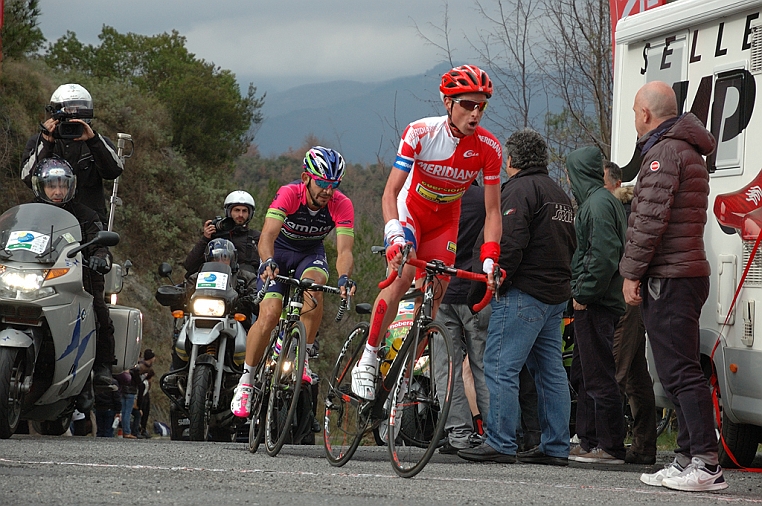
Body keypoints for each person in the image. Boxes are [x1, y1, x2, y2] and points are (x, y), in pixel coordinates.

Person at [351, 65, 503, 400]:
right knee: (403, 276)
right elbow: (390, 192)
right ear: (448, 103)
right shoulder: (420, 133)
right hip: (411, 212)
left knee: (434, 296)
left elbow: (493, 212)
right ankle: (369, 356)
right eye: (467, 104)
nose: (475, 113)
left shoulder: (489, 149)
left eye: (482, 106)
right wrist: (394, 237)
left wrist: (490, 258)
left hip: (445, 221)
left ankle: (405, 372)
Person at [620, 80, 726, 491]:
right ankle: (686, 458)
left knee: (680, 371)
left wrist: (631, 273)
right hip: (685, 272)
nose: (633, 119)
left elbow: (648, 221)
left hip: (671, 275)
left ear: (646, 114)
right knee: (675, 369)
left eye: (633, 112)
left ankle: (705, 464)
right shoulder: (687, 148)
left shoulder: (664, 152)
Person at [458, 129, 576, 466]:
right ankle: (556, 446)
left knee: (499, 366)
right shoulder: (559, 194)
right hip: (555, 297)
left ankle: (499, 441)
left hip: (523, 294)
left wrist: (490, 282)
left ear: (511, 160)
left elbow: (508, 242)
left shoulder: (519, 190)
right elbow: (572, 243)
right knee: (551, 371)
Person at [231, 146, 356, 418]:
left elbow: (345, 250)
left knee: (314, 289)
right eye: (322, 183)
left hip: (311, 254)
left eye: (333, 185)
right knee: (269, 315)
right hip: (279, 252)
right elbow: (267, 236)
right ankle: (247, 381)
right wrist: (267, 260)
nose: (327, 191)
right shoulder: (290, 193)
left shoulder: (341, 203)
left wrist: (345, 277)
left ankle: (304, 356)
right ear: (306, 177)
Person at [30, 157, 116, 390]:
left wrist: (100, 257)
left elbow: (101, 245)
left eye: (62, 185)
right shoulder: (29, 214)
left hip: (78, 279)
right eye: (52, 185)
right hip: (36, 278)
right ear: (41, 186)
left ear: (71, 186)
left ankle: (102, 366)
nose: (57, 191)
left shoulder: (85, 215)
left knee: (98, 309)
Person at [566, 146, 628, 464]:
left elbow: (603, 255)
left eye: (569, 171)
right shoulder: (601, 201)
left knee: (599, 373)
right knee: (586, 372)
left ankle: (610, 445)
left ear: (579, 172)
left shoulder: (598, 204)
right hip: (596, 302)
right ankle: (590, 442)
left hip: (597, 304)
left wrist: (583, 294)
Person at [433, 182, 491, 454]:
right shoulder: (486, 198)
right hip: (476, 291)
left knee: (447, 367)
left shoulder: (439, 196)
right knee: (484, 365)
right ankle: (493, 434)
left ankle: (457, 432)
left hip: (442, 291)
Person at [21, 83, 123, 223]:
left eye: (80, 111)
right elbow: (27, 178)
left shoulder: (97, 142)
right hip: (48, 220)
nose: (73, 117)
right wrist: (46, 142)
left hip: (89, 224)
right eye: (68, 111)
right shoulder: (39, 141)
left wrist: (93, 140)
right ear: (55, 113)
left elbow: (114, 171)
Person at [611, 181, 657, 465]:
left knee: (617, 368)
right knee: (636, 374)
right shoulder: (638, 214)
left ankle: (610, 441)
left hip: (625, 296)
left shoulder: (619, 213)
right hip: (640, 296)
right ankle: (643, 444)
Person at [184, 190, 261, 275]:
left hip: (247, 285)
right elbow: (189, 266)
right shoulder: (215, 235)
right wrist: (205, 239)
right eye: (237, 210)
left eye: (244, 211)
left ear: (250, 214)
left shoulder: (257, 237)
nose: (240, 215)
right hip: (215, 283)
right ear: (229, 211)